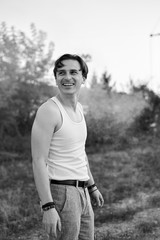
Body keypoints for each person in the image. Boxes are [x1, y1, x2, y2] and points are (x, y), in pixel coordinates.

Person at [31, 54, 104, 240]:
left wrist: (92, 186)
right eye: (61, 72)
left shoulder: (79, 108)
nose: (67, 77)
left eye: (73, 72)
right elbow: (38, 161)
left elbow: (80, 152)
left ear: (83, 78)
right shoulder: (49, 111)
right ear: (56, 78)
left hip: (83, 192)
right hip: (61, 193)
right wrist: (48, 206)